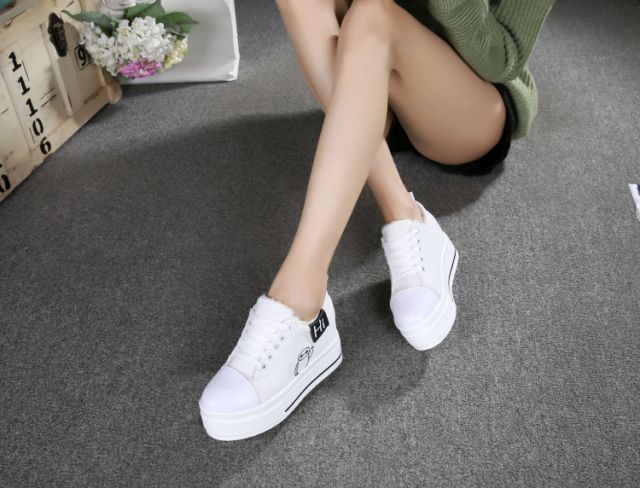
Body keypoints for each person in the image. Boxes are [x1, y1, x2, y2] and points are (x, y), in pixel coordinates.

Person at [199, 0, 555, 441]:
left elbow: (503, 58)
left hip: (467, 109)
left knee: (374, 16)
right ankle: (403, 212)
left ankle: (299, 296)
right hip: (373, 84)